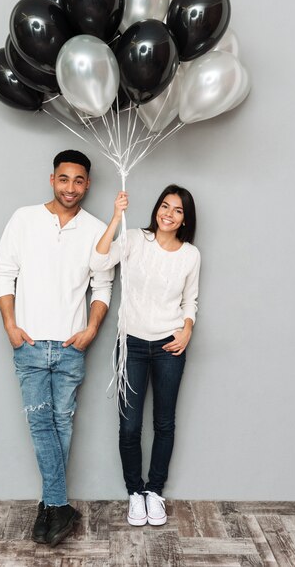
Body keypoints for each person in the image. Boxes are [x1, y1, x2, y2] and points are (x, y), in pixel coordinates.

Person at [0, 150, 113, 547]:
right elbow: (4, 272)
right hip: (28, 343)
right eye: (64, 179)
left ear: (88, 185)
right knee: (41, 424)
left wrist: (92, 328)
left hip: (70, 346)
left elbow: (103, 284)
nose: (71, 188)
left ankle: (51, 507)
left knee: (62, 425)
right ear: (52, 179)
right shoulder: (24, 219)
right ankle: (59, 505)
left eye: (79, 181)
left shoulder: (97, 228)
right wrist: (10, 324)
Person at [90, 184, 201, 527]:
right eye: (164, 206)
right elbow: (98, 260)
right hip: (132, 345)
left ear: (185, 219)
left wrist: (187, 329)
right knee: (129, 426)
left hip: (170, 345)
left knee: (164, 423)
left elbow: (190, 300)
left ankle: (155, 492)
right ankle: (134, 493)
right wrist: (116, 217)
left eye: (177, 210)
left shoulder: (190, 255)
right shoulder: (136, 239)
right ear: (156, 209)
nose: (168, 214)